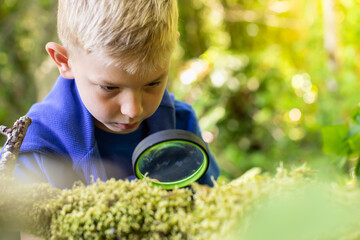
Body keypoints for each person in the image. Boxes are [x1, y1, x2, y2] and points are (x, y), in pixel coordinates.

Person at [4, 0, 220, 190]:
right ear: (64, 61)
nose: (133, 110)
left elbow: (209, 207)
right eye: (109, 88)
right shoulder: (35, 147)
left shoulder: (181, 122)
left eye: (152, 83)